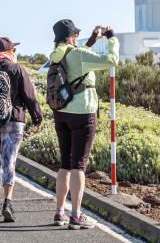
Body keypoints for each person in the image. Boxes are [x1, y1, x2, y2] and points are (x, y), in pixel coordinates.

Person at [47, 19, 120, 229]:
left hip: (61, 112)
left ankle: (59, 212)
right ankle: (76, 215)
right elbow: (111, 60)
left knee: (65, 165)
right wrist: (111, 38)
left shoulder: (56, 54)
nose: (77, 39)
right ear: (70, 37)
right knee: (79, 165)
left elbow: (76, 59)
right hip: (83, 113)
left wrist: (91, 40)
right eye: (76, 36)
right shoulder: (78, 54)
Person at [0, 37, 44, 222]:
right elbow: (30, 96)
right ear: (10, 51)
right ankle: (8, 203)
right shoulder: (16, 69)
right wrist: (37, 118)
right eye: (14, 50)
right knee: (9, 161)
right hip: (13, 120)